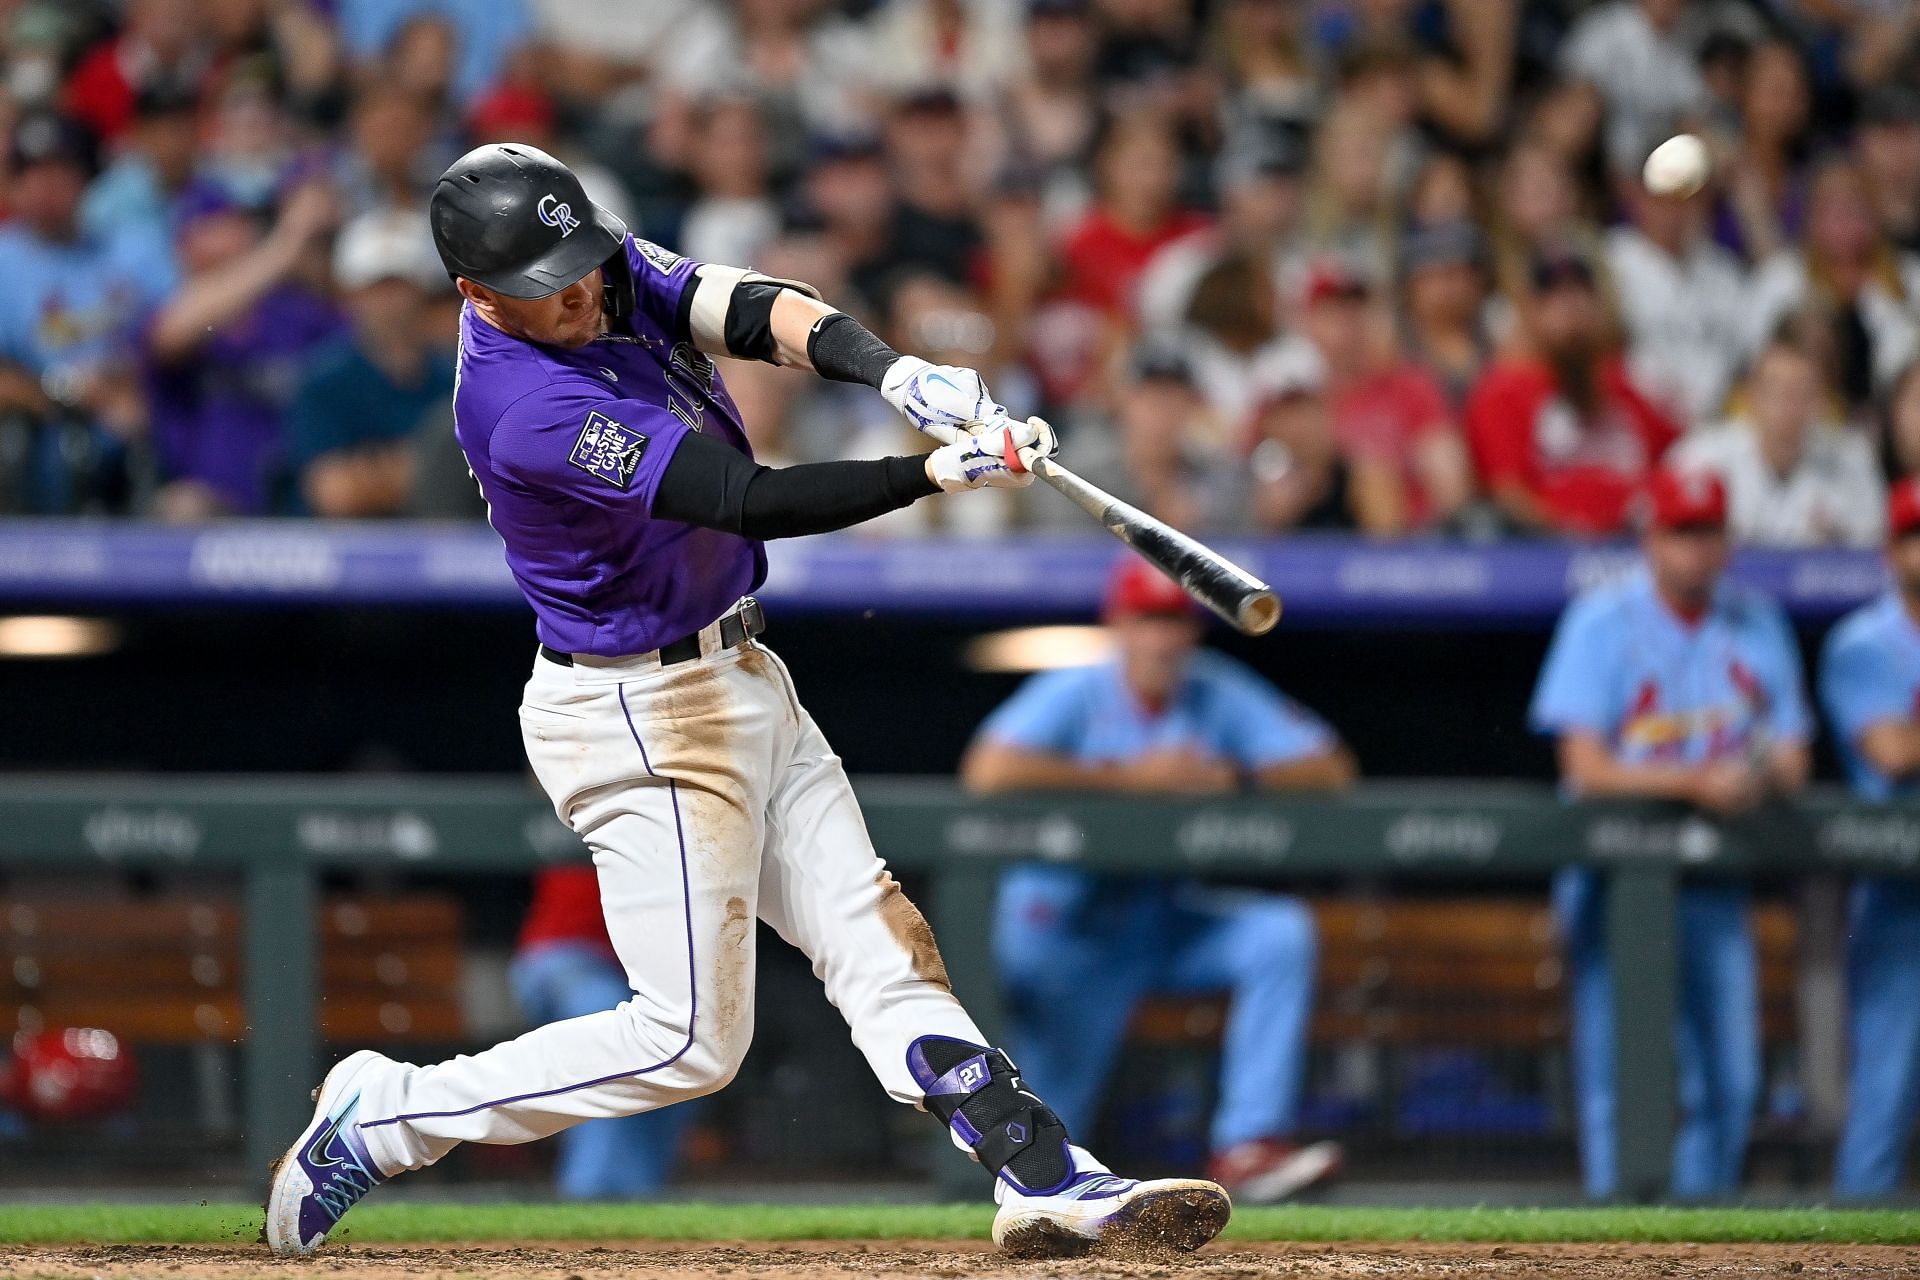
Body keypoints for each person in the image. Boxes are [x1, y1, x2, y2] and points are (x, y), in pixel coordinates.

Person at [265, 143, 1230, 1261]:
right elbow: (743, 499)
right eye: (545, 285)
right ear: (477, 295)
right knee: (687, 1041)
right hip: (640, 717)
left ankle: (1046, 1173)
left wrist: (893, 370)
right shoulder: (521, 401)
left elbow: (746, 305)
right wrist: (927, 471)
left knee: (877, 936)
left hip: (739, 672)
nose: (579, 292)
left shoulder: (589, 262)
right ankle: (385, 1116)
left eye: (580, 264)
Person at [962, 556, 1354, 1205]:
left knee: (1277, 934)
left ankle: (1250, 1145)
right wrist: (1127, 780)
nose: (1162, 639)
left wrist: (1236, 777)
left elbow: (1330, 769)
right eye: (1147, 619)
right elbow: (989, 770)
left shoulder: (1214, 689)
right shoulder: (1079, 689)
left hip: (1162, 920)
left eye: (1174, 622)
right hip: (1067, 936)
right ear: (1118, 623)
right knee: (1037, 1158)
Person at [1529, 466, 1812, 1199]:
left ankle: (1697, 1245)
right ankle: (1612, 1245)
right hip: (1613, 881)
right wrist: (1692, 781)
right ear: (1650, 537)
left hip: (1713, 881)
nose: (1694, 549)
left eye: (1706, 532)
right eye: (1679, 532)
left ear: (1727, 539)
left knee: (1732, 1078)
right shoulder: (1600, 618)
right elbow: (1584, 765)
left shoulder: (1758, 622)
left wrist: (1760, 775)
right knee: (1620, 1072)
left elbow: (1792, 753)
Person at [1820, 478, 1920, 1200]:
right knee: (1884, 1092)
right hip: (1899, 890)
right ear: (1892, 549)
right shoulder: (1864, 641)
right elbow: (1890, 750)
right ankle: (1852, 1259)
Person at [1465, 249, 1681, 536]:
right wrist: (1573, 539)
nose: (1570, 307)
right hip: (1549, 556)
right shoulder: (1505, 390)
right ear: (1529, 312)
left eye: (1581, 293)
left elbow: (1677, 464)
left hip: (1639, 545)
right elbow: (1510, 497)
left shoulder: (1628, 381)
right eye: (1553, 297)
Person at [511, 866, 694, 1198]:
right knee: (613, 1046)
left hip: (622, 972)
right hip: (562, 956)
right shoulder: (594, 819)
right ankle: (588, 1195)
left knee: (687, 1055)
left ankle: (640, 1198)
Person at [287, 211, 455, 518]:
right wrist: (437, 468)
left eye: (400, 285)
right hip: (346, 553)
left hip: (440, 543)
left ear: (423, 291)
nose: (389, 302)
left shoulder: (458, 377)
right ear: (349, 295)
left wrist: (378, 474)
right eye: (375, 287)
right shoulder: (324, 381)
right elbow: (336, 493)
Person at [1672, 340, 1884, 547]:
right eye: (1776, 391)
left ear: (1822, 401)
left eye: (1802, 392)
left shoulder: (1852, 459)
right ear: (1750, 396)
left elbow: (1874, 548)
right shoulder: (1701, 457)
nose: (1789, 404)